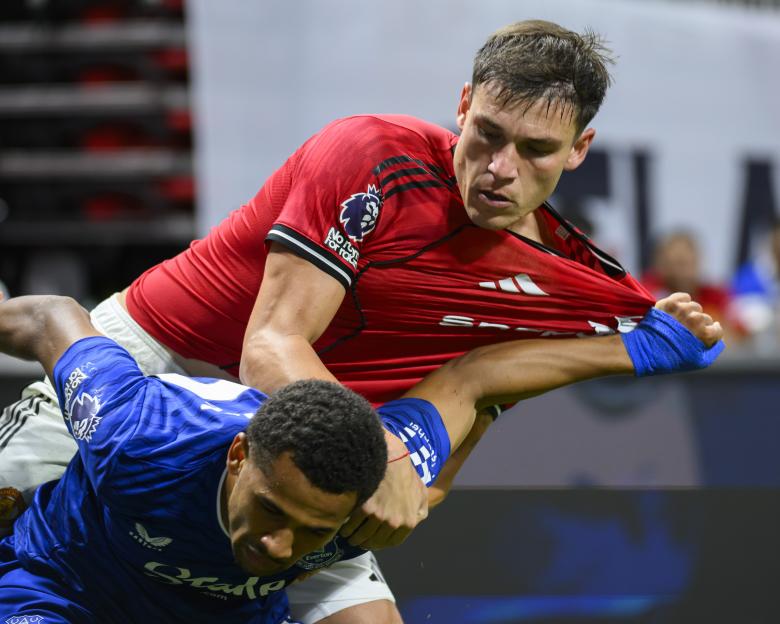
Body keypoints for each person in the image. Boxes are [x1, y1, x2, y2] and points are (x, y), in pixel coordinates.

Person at [1, 20, 662, 623]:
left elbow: (475, 388)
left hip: (311, 448)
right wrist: (385, 460)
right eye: (487, 133)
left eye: (535, 149)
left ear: (580, 149)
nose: (498, 168)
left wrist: (417, 489)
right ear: (463, 105)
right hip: (156, 368)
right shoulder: (370, 155)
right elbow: (270, 347)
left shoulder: (554, 282)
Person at [0, 292, 723, 624]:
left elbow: (476, 376)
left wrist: (638, 349)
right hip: (64, 587)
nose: (278, 546)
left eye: (313, 533)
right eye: (273, 510)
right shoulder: (135, 430)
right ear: (238, 455)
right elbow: (48, 317)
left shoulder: (378, 499)